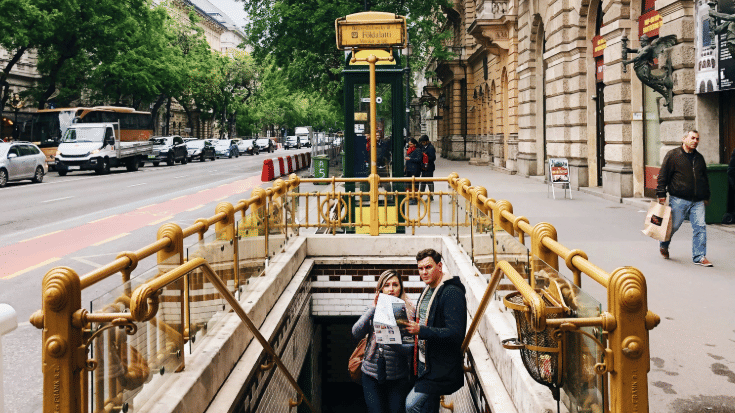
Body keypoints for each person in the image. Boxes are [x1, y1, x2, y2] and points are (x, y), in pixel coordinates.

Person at [404, 249, 467, 413]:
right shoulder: (428, 290)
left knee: (411, 405)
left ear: (439, 266)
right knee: (429, 408)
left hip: (439, 367)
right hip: (424, 364)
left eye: (428, 267)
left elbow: (455, 333)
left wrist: (422, 330)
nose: (424, 272)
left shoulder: (452, 292)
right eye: (420, 268)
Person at [352, 270, 416, 413]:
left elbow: (411, 349)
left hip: (397, 376)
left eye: (395, 285)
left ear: (401, 287)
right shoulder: (372, 308)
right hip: (370, 373)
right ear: (380, 288)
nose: (391, 289)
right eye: (386, 285)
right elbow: (356, 332)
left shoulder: (409, 310)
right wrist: (373, 309)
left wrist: (392, 343)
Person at [656, 130, 712, 266]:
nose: (695, 141)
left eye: (697, 139)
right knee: (673, 226)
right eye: (692, 138)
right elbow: (663, 176)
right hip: (679, 198)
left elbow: (704, 178)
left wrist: (706, 196)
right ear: (684, 139)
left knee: (700, 227)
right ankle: (664, 244)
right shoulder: (673, 155)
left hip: (697, 200)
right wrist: (661, 194)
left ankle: (699, 256)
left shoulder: (699, 158)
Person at [404, 138, 422, 204]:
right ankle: (410, 197)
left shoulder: (418, 150)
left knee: (415, 184)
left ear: (414, 144)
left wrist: (410, 158)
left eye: (411, 144)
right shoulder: (409, 150)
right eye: (409, 144)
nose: (410, 146)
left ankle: (415, 198)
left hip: (415, 170)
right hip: (409, 169)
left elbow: (419, 159)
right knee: (409, 184)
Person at [418, 136, 436, 201]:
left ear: (427, 141)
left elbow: (433, 158)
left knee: (429, 182)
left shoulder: (431, 148)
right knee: (423, 181)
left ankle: (431, 196)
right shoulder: (422, 147)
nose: (422, 143)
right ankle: (420, 195)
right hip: (424, 167)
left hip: (429, 167)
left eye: (423, 142)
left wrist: (426, 157)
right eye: (422, 142)